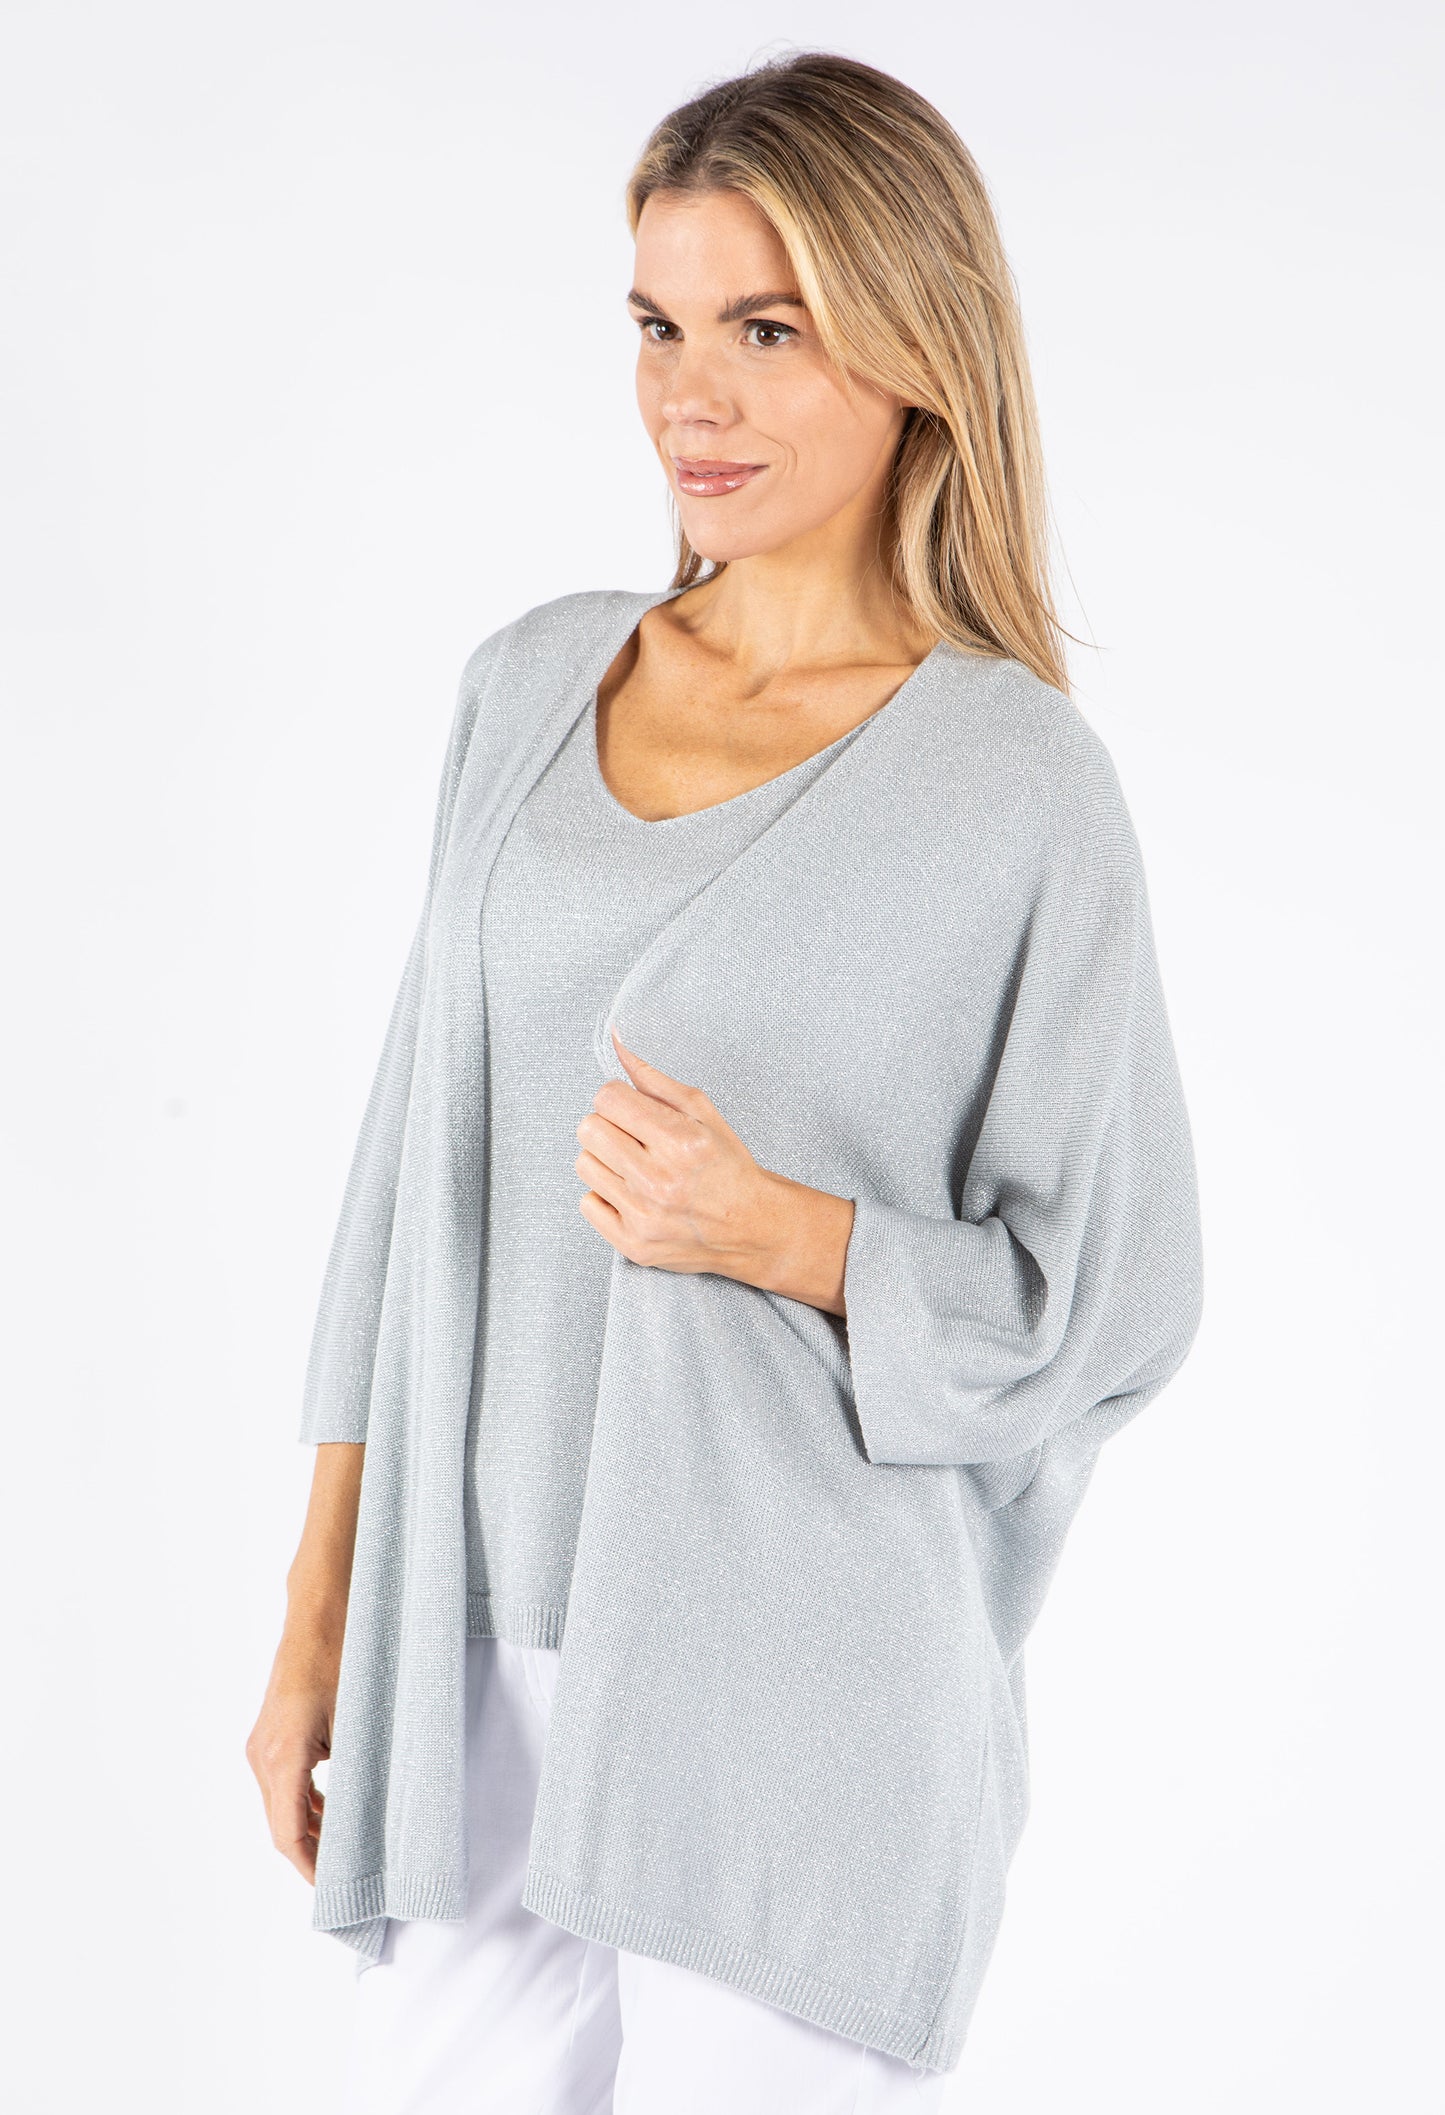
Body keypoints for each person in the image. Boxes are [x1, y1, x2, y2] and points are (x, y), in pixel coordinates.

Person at [246, 49, 1204, 2114]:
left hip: (796, 1679)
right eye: (660, 327)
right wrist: (321, 1607)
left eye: (766, 331)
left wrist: (795, 1235)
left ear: (914, 346)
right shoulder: (530, 684)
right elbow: (407, 1177)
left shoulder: (1016, 786)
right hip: (468, 1648)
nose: (692, 396)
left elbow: (1112, 1300)